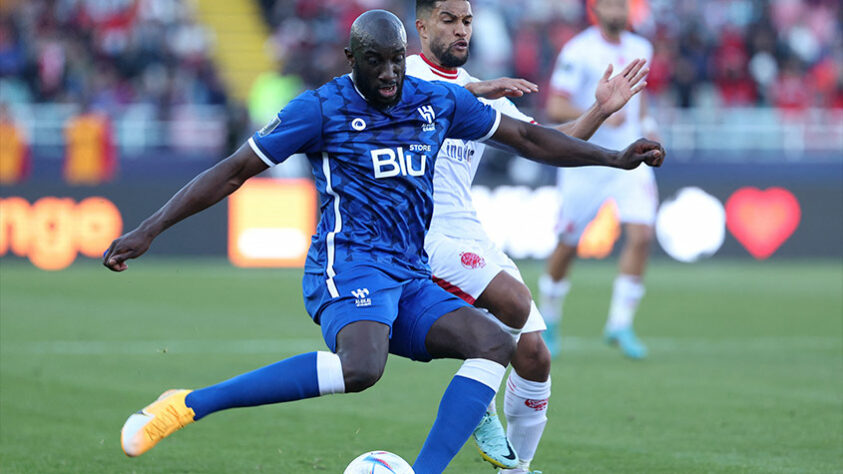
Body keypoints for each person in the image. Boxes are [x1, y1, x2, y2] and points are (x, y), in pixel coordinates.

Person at [103, 10, 664, 474]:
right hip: (347, 265)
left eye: (397, 61)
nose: (390, 74)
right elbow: (231, 171)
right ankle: (187, 405)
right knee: (362, 371)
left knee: (496, 342)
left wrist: (615, 157)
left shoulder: (434, 101)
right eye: (377, 62)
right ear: (353, 61)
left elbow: (527, 137)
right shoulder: (321, 108)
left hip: (409, 271)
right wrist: (149, 229)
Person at [407, 1, 650, 472]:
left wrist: (599, 110)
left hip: (469, 232)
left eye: (468, 22)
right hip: (421, 234)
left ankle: (516, 469)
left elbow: (543, 142)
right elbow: (394, 105)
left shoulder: (488, 98)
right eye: (449, 20)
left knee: (535, 354)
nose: (462, 31)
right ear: (421, 25)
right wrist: (475, 91)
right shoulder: (400, 79)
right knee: (514, 302)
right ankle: (476, 399)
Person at [539, 0, 660, 360]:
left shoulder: (642, 48)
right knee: (568, 243)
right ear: (596, 10)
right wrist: (601, 114)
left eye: (622, 5)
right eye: (610, 5)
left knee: (642, 234)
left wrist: (650, 129)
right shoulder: (579, 50)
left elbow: (641, 100)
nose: (618, 11)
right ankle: (551, 318)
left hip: (629, 159)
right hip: (585, 160)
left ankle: (620, 324)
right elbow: (556, 107)